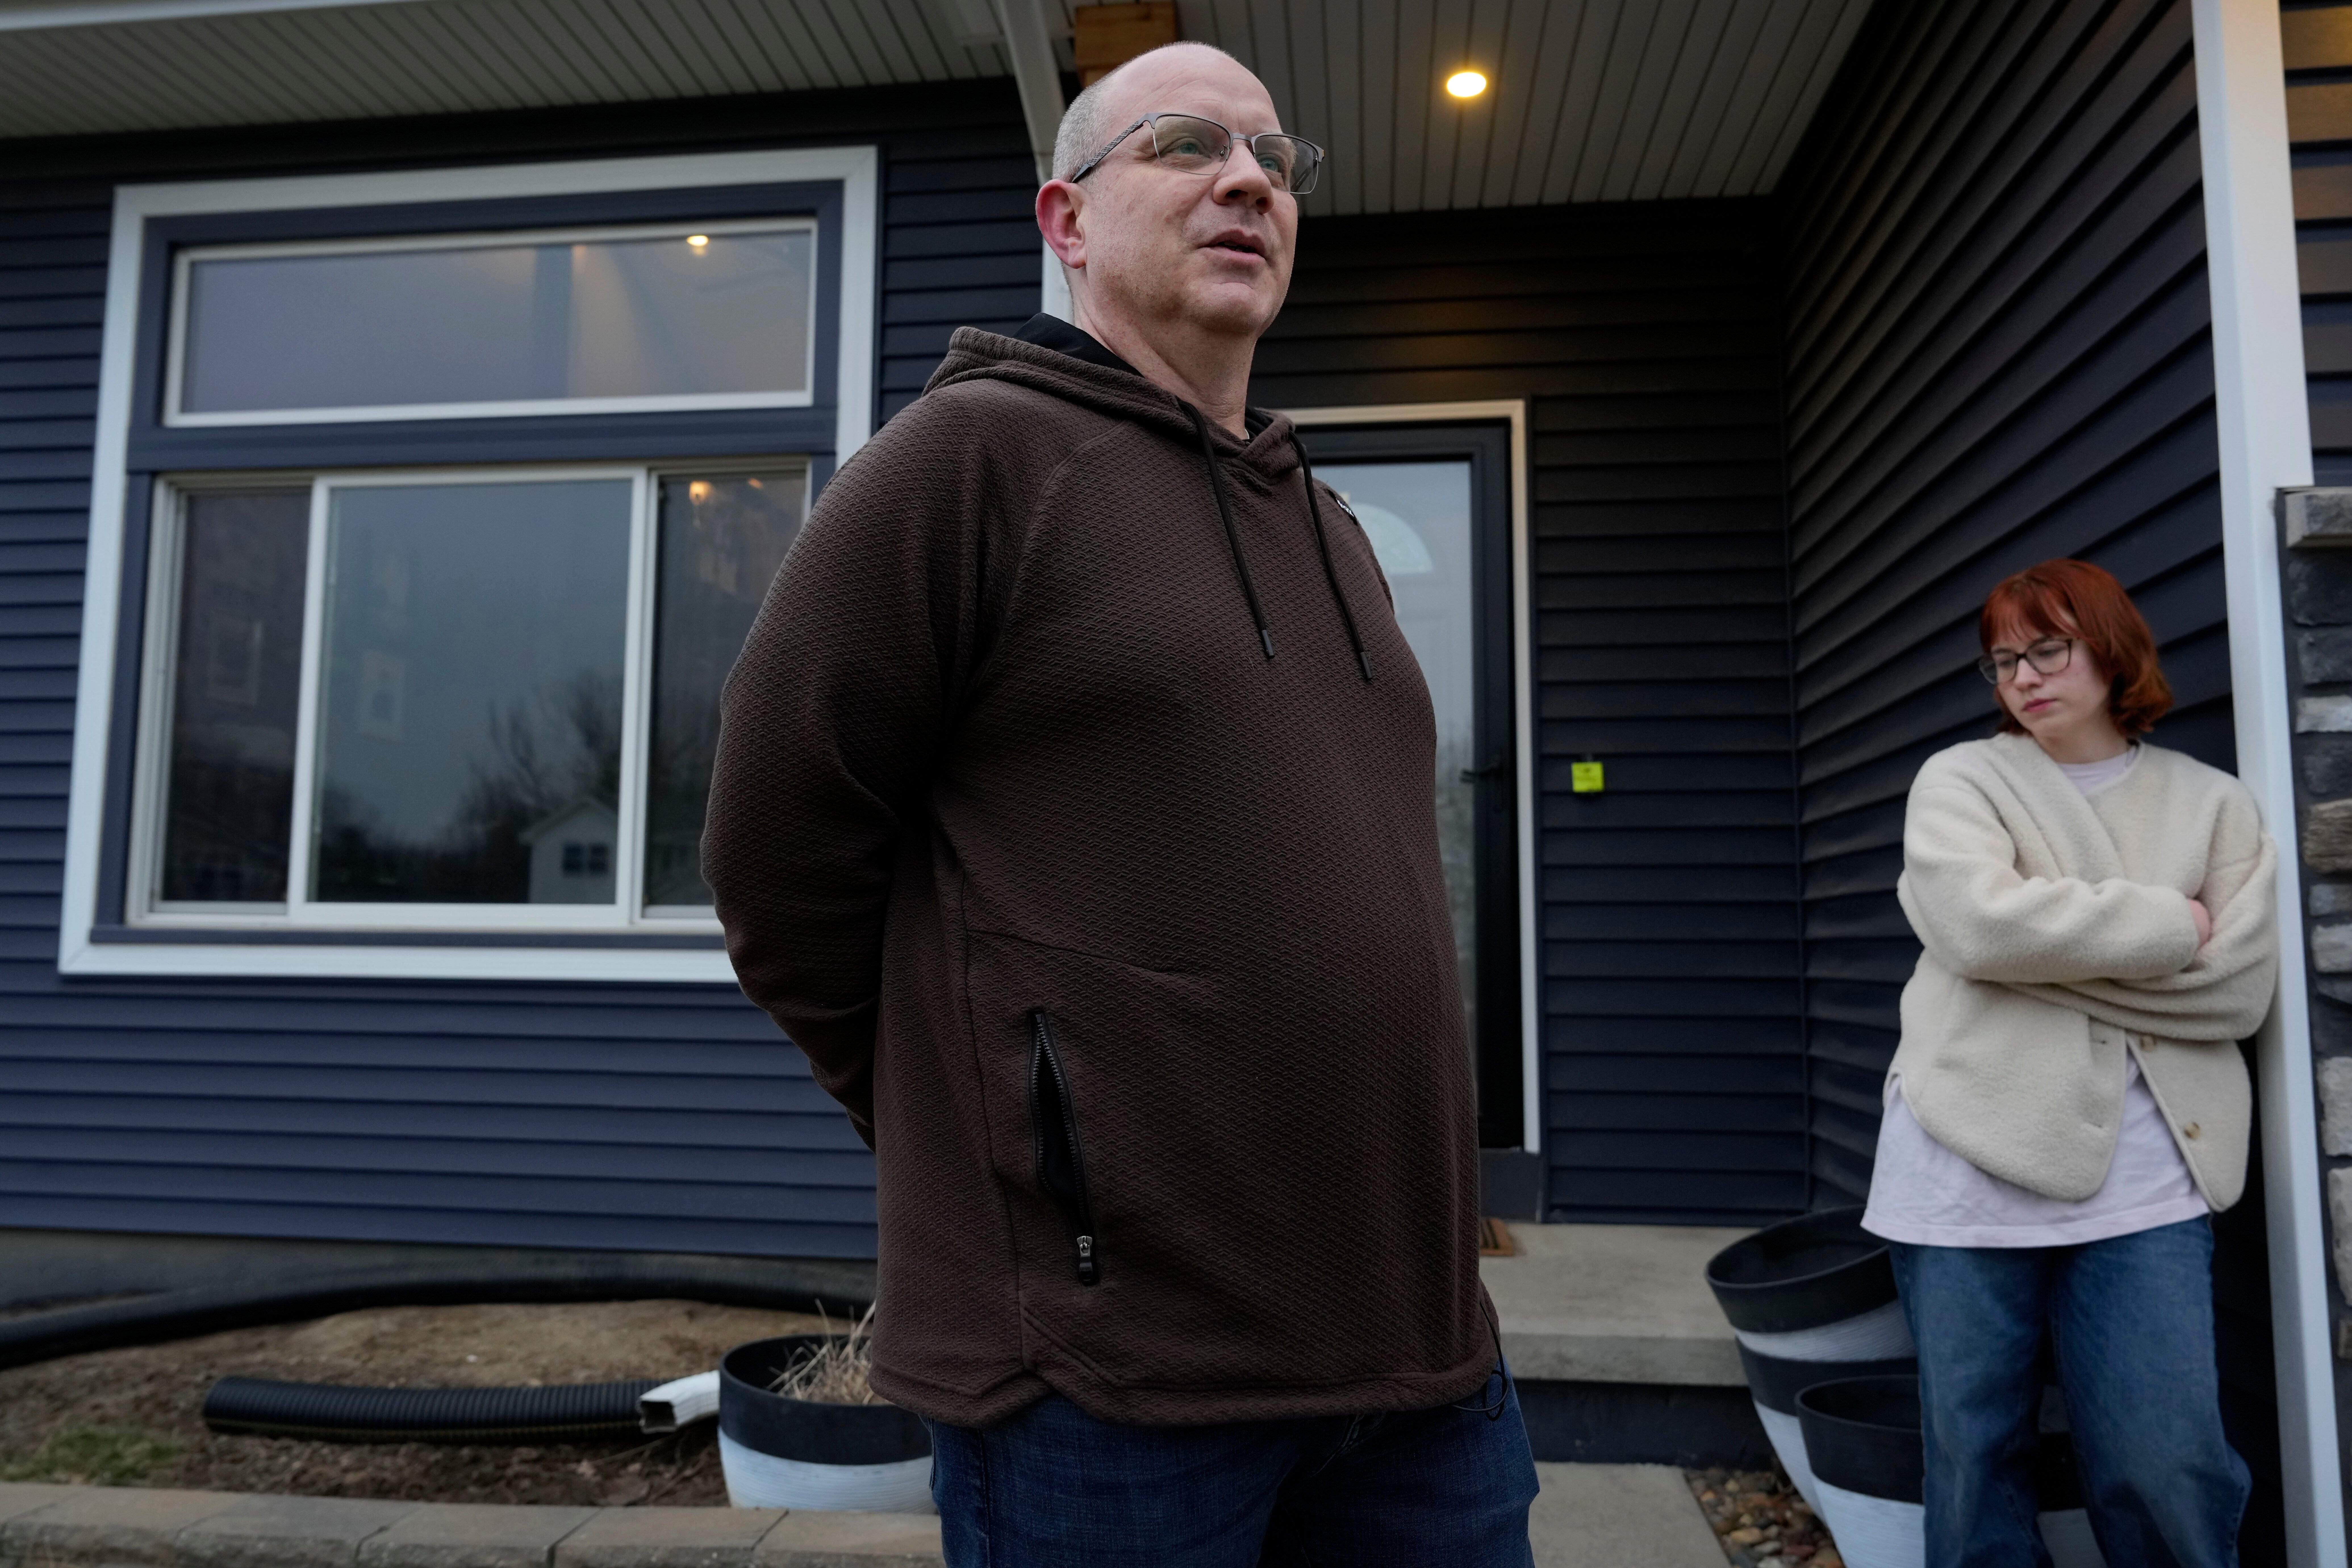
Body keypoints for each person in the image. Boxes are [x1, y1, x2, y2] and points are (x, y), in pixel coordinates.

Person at [700, 39, 1537, 1567]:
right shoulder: (964, 464)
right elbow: (774, 858)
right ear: (1065, 220)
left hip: (1416, 1359)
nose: (1246, 182)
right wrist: (1009, 1141)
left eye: (1275, 163)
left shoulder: (1330, 526)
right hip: (1112, 1381)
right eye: (1184, 147)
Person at [1863, 559, 2277, 1565]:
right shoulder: (1963, 779)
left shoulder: (2212, 803)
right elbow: (1974, 927)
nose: (2022, 676)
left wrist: (2031, 953)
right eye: (2003, 659)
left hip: (2148, 1181)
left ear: (2109, 644)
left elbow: (2236, 991)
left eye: (2047, 647)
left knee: (2169, 1463)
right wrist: (2166, 924)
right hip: (1962, 1162)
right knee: (1973, 1463)